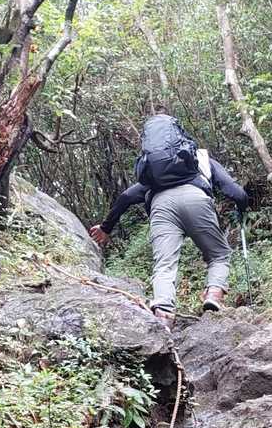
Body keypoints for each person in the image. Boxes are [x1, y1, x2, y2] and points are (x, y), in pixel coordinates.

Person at [89, 113, 248, 328]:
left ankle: (163, 317)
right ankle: (213, 294)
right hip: (196, 200)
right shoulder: (201, 159)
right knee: (219, 255)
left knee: (164, 265)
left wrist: (105, 228)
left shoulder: (154, 173)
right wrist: (242, 210)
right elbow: (236, 193)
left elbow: (126, 197)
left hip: (161, 207)